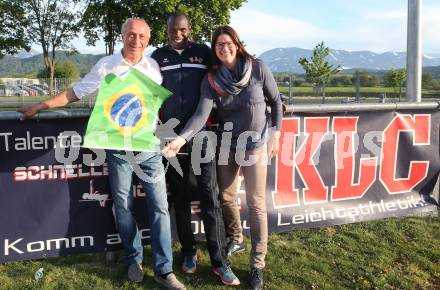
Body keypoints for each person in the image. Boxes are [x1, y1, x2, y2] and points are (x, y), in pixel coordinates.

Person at [18, 18, 186, 290]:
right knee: (124, 206)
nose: (136, 39)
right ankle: (133, 258)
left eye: (142, 35)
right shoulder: (107, 65)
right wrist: (40, 105)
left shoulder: (154, 67)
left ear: (148, 38)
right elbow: (75, 92)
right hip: (118, 149)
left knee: (160, 208)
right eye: (131, 34)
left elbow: (163, 104)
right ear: (123, 36)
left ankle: (163, 270)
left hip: (149, 149)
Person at [163, 25, 283, 290]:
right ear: (214, 50)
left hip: (256, 147)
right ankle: (236, 238)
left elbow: (276, 102)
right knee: (226, 197)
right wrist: (181, 139)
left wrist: (276, 134)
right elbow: (200, 115)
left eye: (228, 43)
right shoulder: (212, 78)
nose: (224, 48)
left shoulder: (258, 67)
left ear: (237, 44)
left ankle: (257, 265)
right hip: (227, 146)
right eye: (219, 45)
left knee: (256, 204)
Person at [151, 12, 239, 286]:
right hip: (170, 138)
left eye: (182, 30)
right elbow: (144, 91)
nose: (177, 34)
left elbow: (232, 72)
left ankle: (219, 262)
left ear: (190, 30)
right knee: (179, 199)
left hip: (201, 136)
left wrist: (276, 99)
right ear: (165, 30)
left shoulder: (203, 52)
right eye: (172, 30)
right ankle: (188, 253)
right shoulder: (156, 56)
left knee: (209, 197)